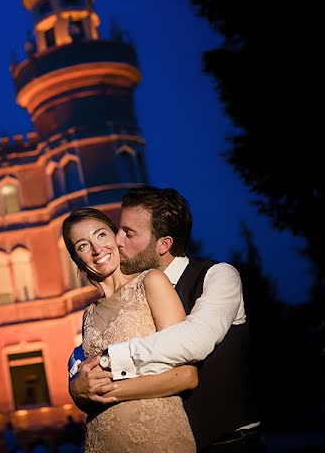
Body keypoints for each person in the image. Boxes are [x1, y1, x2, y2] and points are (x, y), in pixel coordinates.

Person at [69, 186, 265, 452]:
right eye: (118, 229)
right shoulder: (112, 301)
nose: (117, 240)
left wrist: (108, 362)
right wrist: (77, 385)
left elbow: (195, 339)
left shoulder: (217, 276)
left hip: (227, 444)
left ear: (163, 244)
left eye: (129, 233)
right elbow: (80, 362)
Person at [62, 206, 197, 452]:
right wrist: (77, 391)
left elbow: (186, 375)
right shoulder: (88, 316)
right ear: (76, 259)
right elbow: (87, 386)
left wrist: (109, 391)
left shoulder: (151, 281)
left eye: (101, 235)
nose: (96, 249)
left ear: (115, 236)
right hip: (102, 441)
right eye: (82, 245)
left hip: (158, 438)